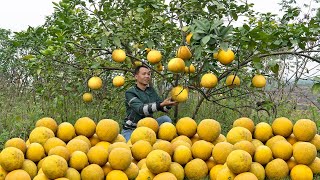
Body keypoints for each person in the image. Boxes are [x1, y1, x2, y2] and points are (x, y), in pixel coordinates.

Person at [121, 65, 177, 141]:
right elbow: (141, 109)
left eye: (149, 74)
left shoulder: (151, 91)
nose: (147, 76)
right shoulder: (130, 92)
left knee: (166, 119)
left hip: (149, 126)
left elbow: (162, 107)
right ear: (136, 76)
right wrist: (161, 104)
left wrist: (172, 101)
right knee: (133, 148)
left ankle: (162, 139)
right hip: (133, 129)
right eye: (144, 74)